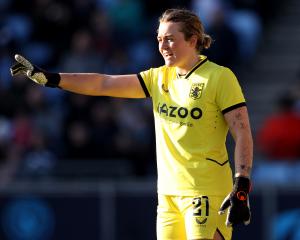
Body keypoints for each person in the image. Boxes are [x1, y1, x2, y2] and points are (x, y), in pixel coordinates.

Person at [10, 8, 253, 240]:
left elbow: (242, 132)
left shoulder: (219, 77)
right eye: (159, 39)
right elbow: (103, 84)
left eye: (170, 39)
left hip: (205, 190)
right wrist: (52, 79)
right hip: (168, 195)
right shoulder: (158, 77)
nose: (163, 46)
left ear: (193, 40)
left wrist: (241, 185)